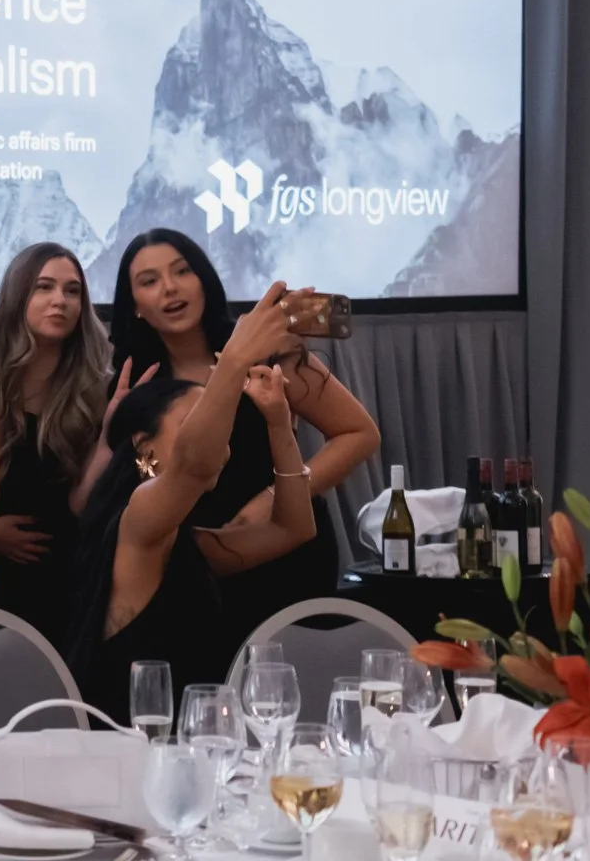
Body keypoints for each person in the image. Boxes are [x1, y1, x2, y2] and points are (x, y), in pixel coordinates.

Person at [92, 229, 380, 654]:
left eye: (182, 271)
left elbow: (359, 433)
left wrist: (273, 494)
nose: (170, 288)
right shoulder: (135, 382)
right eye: (149, 281)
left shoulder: (267, 353)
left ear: (204, 279)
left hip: (284, 544)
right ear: (133, 304)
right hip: (198, 562)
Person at [65, 286, 318, 721]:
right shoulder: (136, 522)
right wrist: (236, 356)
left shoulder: (186, 544)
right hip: (125, 748)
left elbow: (293, 528)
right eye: (192, 421)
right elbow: (194, 465)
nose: (220, 439)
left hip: (186, 746)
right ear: (143, 445)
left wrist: (278, 423)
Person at [0, 242, 110, 646]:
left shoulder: (94, 383)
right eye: (44, 287)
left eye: (73, 291)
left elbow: (86, 499)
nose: (60, 301)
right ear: (18, 294)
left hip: (64, 577)